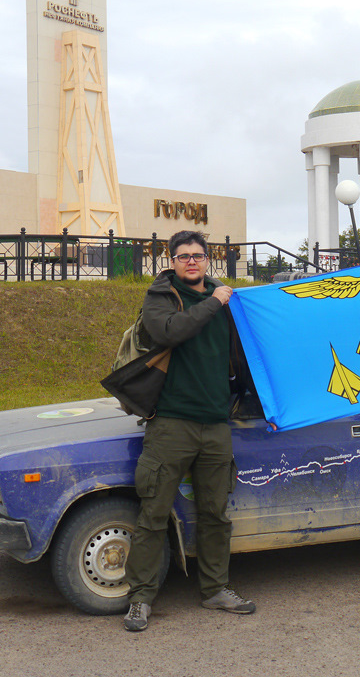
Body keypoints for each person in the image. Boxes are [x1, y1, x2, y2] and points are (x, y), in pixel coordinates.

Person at [122, 230, 255, 632]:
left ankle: (215, 589)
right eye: (184, 257)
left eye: (198, 256)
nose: (192, 262)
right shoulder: (160, 298)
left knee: (215, 514)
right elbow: (169, 333)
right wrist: (215, 302)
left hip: (216, 424)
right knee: (153, 515)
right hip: (172, 424)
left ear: (207, 259)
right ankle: (140, 599)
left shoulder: (227, 299)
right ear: (173, 261)